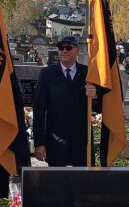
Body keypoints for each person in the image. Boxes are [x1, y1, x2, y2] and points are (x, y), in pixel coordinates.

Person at [32, 35, 98, 167]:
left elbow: (99, 107)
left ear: (77, 51)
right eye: (61, 48)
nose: (64, 51)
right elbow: (39, 110)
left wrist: (95, 96)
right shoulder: (47, 74)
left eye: (68, 48)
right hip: (56, 142)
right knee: (58, 185)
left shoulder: (88, 74)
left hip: (82, 142)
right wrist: (39, 143)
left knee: (82, 184)